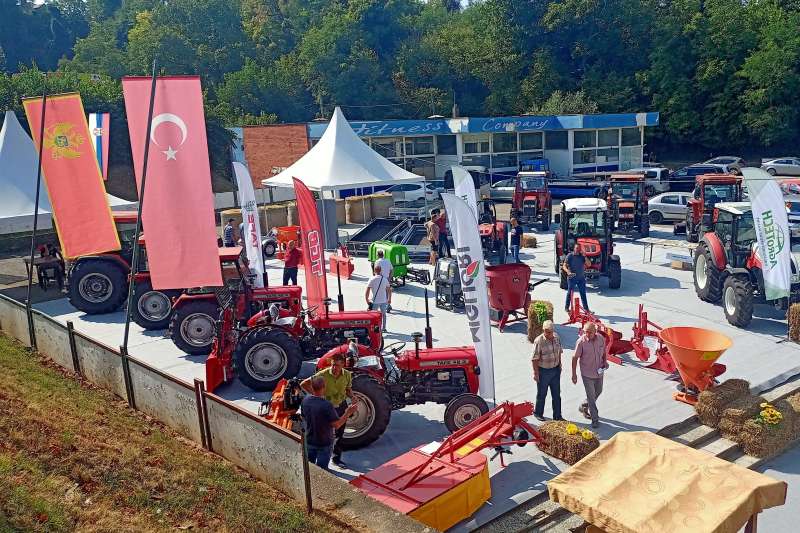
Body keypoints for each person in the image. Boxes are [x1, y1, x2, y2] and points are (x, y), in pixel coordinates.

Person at [299, 375, 358, 470]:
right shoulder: (326, 405)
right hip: (324, 443)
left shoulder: (305, 400)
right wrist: (348, 412)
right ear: (324, 387)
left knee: (309, 468)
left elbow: (303, 417)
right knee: (322, 470)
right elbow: (337, 425)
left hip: (309, 440)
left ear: (312, 387)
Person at [571, 322, 608, 428]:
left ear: (595, 331)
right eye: (585, 332)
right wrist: (574, 374)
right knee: (591, 397)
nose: (587, 334)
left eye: (589, 332)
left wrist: (604, 361)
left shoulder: (600, 338)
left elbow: (604, 352)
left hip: (599, 372)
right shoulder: (581, 342)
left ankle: (583, 406)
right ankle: (595, 419)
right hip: (587, 374)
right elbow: (575, 358)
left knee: (599, 391)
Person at [531, 320, 563, 422]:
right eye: (545, 331)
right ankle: (538, 413)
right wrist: (536, 373)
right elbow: (534, 359)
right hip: (543, 371)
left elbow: (559, 352)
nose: (547, 334)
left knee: (556, 394)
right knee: (542, 394)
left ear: (553, 330)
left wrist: (560, 364)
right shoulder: (539, 341)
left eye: (549, 332)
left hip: (555, 370)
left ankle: (557, 416)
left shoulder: (557, 337)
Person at [562, 242, 591, 313]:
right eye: (577, 248)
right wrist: (568, 272)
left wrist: (585, 256)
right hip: (572, 278)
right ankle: (566, 308)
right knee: (570, 293)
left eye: (579, 248)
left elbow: (589, 264)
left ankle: (586, 309)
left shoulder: (582, 256)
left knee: (583, 293)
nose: (578, 250)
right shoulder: (570, 256)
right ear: (574, 248)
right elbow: (564, 266)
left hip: (581, 278)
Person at [365, 264, 390, 332]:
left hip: (375, 301)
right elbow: (389, 290)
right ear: (381, 271)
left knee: (373, 315)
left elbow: (367, 290)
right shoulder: (384, 279)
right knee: (383, 315)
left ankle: (374, 328)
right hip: (383, 300)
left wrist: (367, 299)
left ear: (374, 271)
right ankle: (384, 328)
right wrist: (389, 299)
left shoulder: (372, 279)